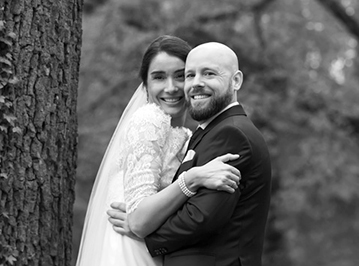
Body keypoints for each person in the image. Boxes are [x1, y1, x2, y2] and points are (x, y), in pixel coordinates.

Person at [76, 36, 241, 266]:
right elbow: (139, 219)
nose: (171, 88)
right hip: (130, 252)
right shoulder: (149, 121)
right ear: (145, 85)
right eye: (159, 77)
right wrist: (192, 178)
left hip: (153, 249)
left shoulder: (186, 136)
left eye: (181, 76)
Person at [109, 42, 272, 266]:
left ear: (236, 80)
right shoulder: (206, 132)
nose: (196, 83)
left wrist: (141, 228)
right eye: (190, 75)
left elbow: (200, 216)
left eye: (209, 74)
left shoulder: (232, 134)